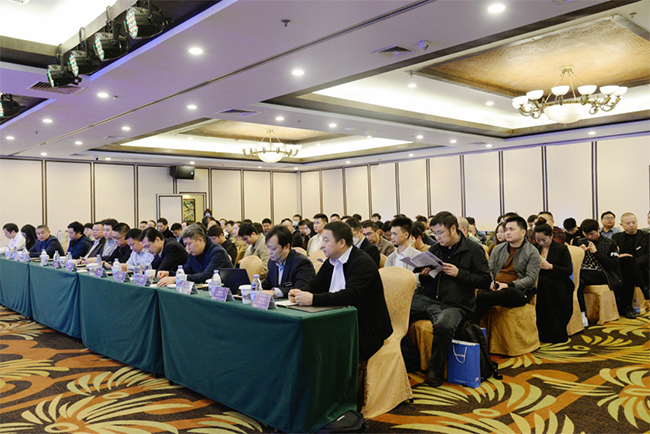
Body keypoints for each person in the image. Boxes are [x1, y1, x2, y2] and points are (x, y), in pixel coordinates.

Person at [405, 211, 491, 387]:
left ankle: (434, 369)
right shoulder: (435, 249)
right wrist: (425, 275)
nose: (437, 238)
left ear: (453, 229)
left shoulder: (473, 249)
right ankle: (411, 357)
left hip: (456, 303)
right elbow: (427, 281)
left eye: (440, 233)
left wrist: (460, 273)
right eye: (434, 234)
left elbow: (485, 280)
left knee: (444, 326)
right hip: (429, 298)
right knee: (395, 312)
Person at [288, 221, 392, 364]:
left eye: (326, 240)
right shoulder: (331, 261)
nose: (322, 245)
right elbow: (316, 284)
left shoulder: (363, 263)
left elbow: (349, 296)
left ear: (342, 242)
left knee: (315, 342)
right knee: (302, 336)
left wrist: (313, 299)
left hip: (363, 326)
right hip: (335, 318)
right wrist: (300, 292)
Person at [475, 215, 541, 323]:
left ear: (523, 232)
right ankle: (472, 324)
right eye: (506, 230)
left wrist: (508, 285)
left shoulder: (532, 252)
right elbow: (490, 270)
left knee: (487, 296)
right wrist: (492, 282)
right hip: (495, 286)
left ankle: (472, 324)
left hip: (517, 290)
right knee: (482, 295)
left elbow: (530, 279)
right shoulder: (498, 249)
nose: (507, 233)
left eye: (511, 229)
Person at [573, 219, 623, 323]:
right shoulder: (580, 242)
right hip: (583, 271)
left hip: (602, 273)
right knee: (577, 280)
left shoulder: (609, 243)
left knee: (577, 277)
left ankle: (582, 314)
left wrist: (596, 253)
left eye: (592, 234)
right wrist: (579, 253)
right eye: (586, 234)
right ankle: (581, 313)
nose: (589, 237)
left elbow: (613, 265)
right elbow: (573, 261)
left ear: (598, 229)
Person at [534, 224, 574, 343]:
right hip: (541, 280)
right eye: (538, 240)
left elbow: (568, 270)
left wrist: (551, 267)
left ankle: (554, 333)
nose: (541, 243)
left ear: (551, 236)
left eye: (544, 240)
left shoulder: (561, 249)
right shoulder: (534, 248)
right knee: (541, 284)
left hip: (558, 280)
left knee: (544, 286)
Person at [157, 224, 233, 286]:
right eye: (186, 245)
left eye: (189, 244)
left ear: (200, 240)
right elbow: (186, 270)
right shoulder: (194, 252)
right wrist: (169, 273)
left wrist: (176, 279)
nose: (187, 248)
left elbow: (206, 276)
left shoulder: (217, 252)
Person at [612, 213, 650, 317]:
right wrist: (620, 256)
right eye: (628, 223)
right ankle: (644, 289)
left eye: (634, 222)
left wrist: (634, 263)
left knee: (628, 275)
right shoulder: (616, 237)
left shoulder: (646, 236)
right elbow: (613, 253)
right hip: (621, 265)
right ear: (621, 224)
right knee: (627, 261)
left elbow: (648, 255)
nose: (632, 225)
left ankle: (627, 307)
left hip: (640, 267)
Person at [262, 225, 316, 297]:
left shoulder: (302, 263)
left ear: (287, 247)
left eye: (273, 249)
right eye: (268, 247)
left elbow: (301, 289)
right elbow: (267, 284)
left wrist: (275, 292)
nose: (269, 252)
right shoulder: (272, 262)